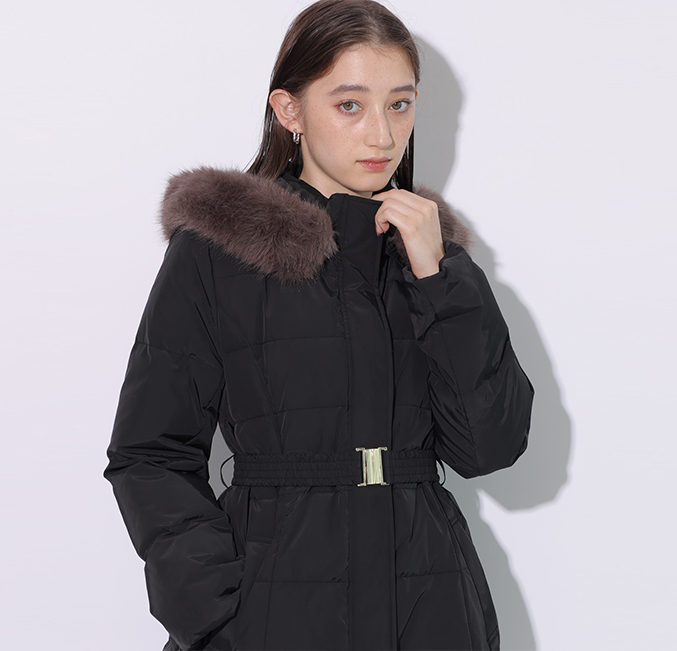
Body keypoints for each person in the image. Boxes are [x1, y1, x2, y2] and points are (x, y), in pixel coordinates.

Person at [103, 1, 535, 649]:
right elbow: (150, 452)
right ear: (290, 110)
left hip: (430, 608)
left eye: (399, 104)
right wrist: (212, 608)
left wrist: (439, 275)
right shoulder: (219, 250)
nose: (382, 136)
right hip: (272, 612)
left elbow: (490, 447)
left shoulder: (430, 256)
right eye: (350, 105)